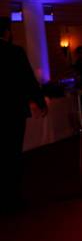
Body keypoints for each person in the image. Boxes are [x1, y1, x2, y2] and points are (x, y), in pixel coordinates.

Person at [0, 17, 47, 214]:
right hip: (13, 111)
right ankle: (13, 198)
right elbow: (27, 79)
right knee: (13, 153)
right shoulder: (15, 52)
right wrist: (40, 101)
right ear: (6, 32)